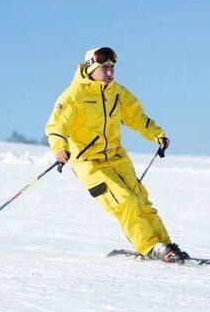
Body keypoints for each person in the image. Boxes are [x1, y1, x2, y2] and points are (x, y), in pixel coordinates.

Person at [45, 46, 189, 263]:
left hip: (116, 156)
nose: (110, 73)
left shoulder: (117, 93)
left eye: (112, 68)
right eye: (105, 68)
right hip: (89, 162)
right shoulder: (74, 95)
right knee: (125, 201)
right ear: (91, 68)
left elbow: (137, 117)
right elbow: (56, 126)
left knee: (141, 200)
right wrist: (59, 149)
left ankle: (166, 244)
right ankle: (150, 246)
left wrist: (157, 134)